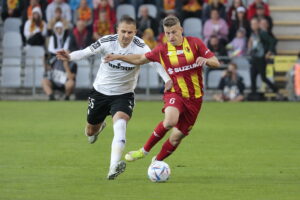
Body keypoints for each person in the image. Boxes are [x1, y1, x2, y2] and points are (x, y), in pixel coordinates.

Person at [56, 16, 171, 180]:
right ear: (117, 30)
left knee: (121, 123)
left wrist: (167, 79)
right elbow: (86, 52)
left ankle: (113, 168)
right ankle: (99, 126)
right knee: (90, 131)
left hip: (124, 95)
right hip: (100, 92)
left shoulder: (140, 46)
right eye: (123, 31)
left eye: (129, 32)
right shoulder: (107, 42)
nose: (126, 35)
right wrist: (70, 57)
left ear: (135, 32)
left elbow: (155, 62)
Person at [104, 15, 220, 164]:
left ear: (181, 30)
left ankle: (156, 162)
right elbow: (140, 59)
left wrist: (207, 61)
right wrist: (118, 56)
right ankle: (143, 151)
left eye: (174, 32)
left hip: (195, 99)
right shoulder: (162, 50)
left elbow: (216, 62)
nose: (171, 36)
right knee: (170, 121)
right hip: (175, 93)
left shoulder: (195, 44)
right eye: (167, 33)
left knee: (176, 137)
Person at [248, 17, 278, 95]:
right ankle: (253, 93)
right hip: (254, 58)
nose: (252, 25)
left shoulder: (262, 33)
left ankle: (276, 91)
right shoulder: (253, 34)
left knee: (263, 78)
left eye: (254, 24)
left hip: (261, 58)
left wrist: (269, 52)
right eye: (251, 24)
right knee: (252, 76)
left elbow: (273, 41)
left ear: (258, 24)